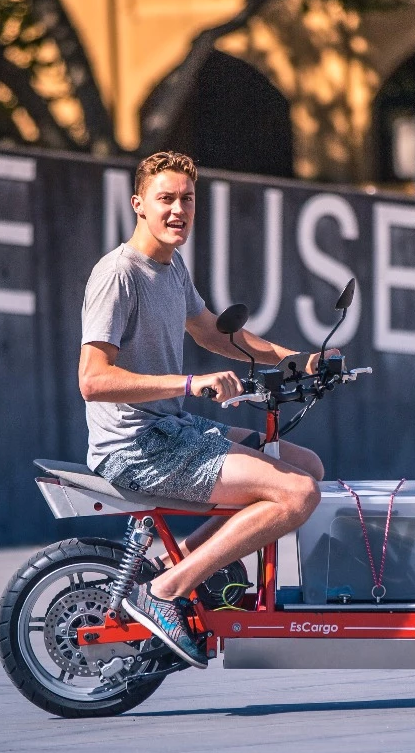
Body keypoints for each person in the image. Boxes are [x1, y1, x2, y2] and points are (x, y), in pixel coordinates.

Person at [78, 151, 335, 668]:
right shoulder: (119, 275)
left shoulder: (170, 269)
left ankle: (189, 566)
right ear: (138, 205)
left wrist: (303, 362)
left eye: (187, 200)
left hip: (170, 429)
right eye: (165, 199)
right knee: (297, 493)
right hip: (135, 445)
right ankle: (167, 590)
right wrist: (189, 382)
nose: (178, 210)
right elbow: (92, 380)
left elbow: (219, 334)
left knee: (307, 466)